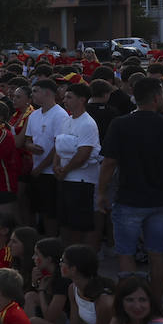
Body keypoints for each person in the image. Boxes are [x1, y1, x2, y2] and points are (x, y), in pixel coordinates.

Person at [97, 77, 163, 298]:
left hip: (128, 198)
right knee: (157, 253)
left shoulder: (120, 124)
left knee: (126, 254)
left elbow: (109, 162)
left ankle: (132, 302)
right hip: (162, 199)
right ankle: (155, 303)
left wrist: (101, 192)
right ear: (158, 98)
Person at [54, 82, 102, 250]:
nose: (65, 100)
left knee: (78, 224)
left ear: (82, 100)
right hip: (65, 179)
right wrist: (56, 166)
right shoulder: (67, 121)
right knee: (65, 222)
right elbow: (58, 146)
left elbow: (83, 154)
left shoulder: (87, 124)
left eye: (69, 97)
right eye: (65, 96)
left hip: (81, 181)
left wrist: (64, 170)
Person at [23, 79, 70, 235]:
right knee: (33, 208)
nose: (32, 95)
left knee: (50, 212)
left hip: (50, 172)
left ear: (48, 93)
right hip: (36, 169)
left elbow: (58, 146)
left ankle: (50, 243)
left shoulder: (60, 115)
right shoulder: (34, 115)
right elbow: (28, 140)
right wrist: (30, 147)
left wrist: (41, 167)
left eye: (35, 91)